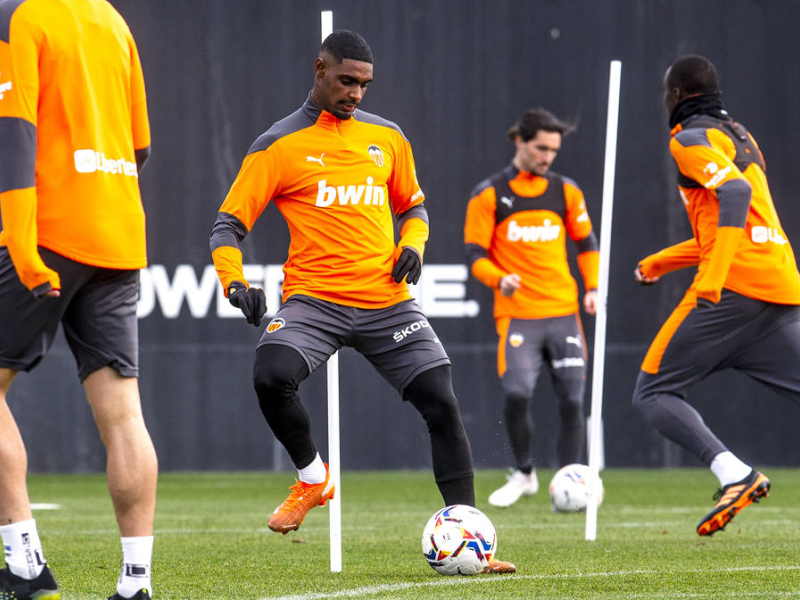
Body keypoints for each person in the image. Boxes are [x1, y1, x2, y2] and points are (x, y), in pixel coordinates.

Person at [210, 30, 515, 573]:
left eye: (365, 85)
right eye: (346, 81)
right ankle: (312, 479)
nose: (355, 93)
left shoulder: (388, 137)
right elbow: (227, 227)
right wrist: (235, 284)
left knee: (441, 403)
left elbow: (414, 208)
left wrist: (413, 246)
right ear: (320, 69)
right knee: (270, 375)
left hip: (387, 301)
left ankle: (472, 540)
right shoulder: (277, 145)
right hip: (314, 301)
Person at [0, 0, 158, 598]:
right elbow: (140, 146)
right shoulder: (113, 21)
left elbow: (13, 133)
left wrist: (21, 246)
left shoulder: (18, 16)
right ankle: (136, 583)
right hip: (118, 234)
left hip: (47, 233)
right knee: (124, 416)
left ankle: (24, 566)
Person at [633, 54, 800, 536]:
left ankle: (737, 476)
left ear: (676, 95)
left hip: (730, 290)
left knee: (654, 393)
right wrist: (661, 261)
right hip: (779, 287)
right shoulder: (742, 136)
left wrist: (712, 279)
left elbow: (735, 197)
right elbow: (737, 226)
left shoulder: (687, 140)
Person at [464, 108, 599, 508]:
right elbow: (475, 255)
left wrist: (592, 288)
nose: (547, 157)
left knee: (572, 400)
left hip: (563, 312)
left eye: (554, 150)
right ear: (520, 141)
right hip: (519, 314)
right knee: (517, 393)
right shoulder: (489, 194)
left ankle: (572, 483)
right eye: (541, 148)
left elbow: (586, 243)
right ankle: (524, 473)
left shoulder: (566, 191)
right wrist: (498, 279)